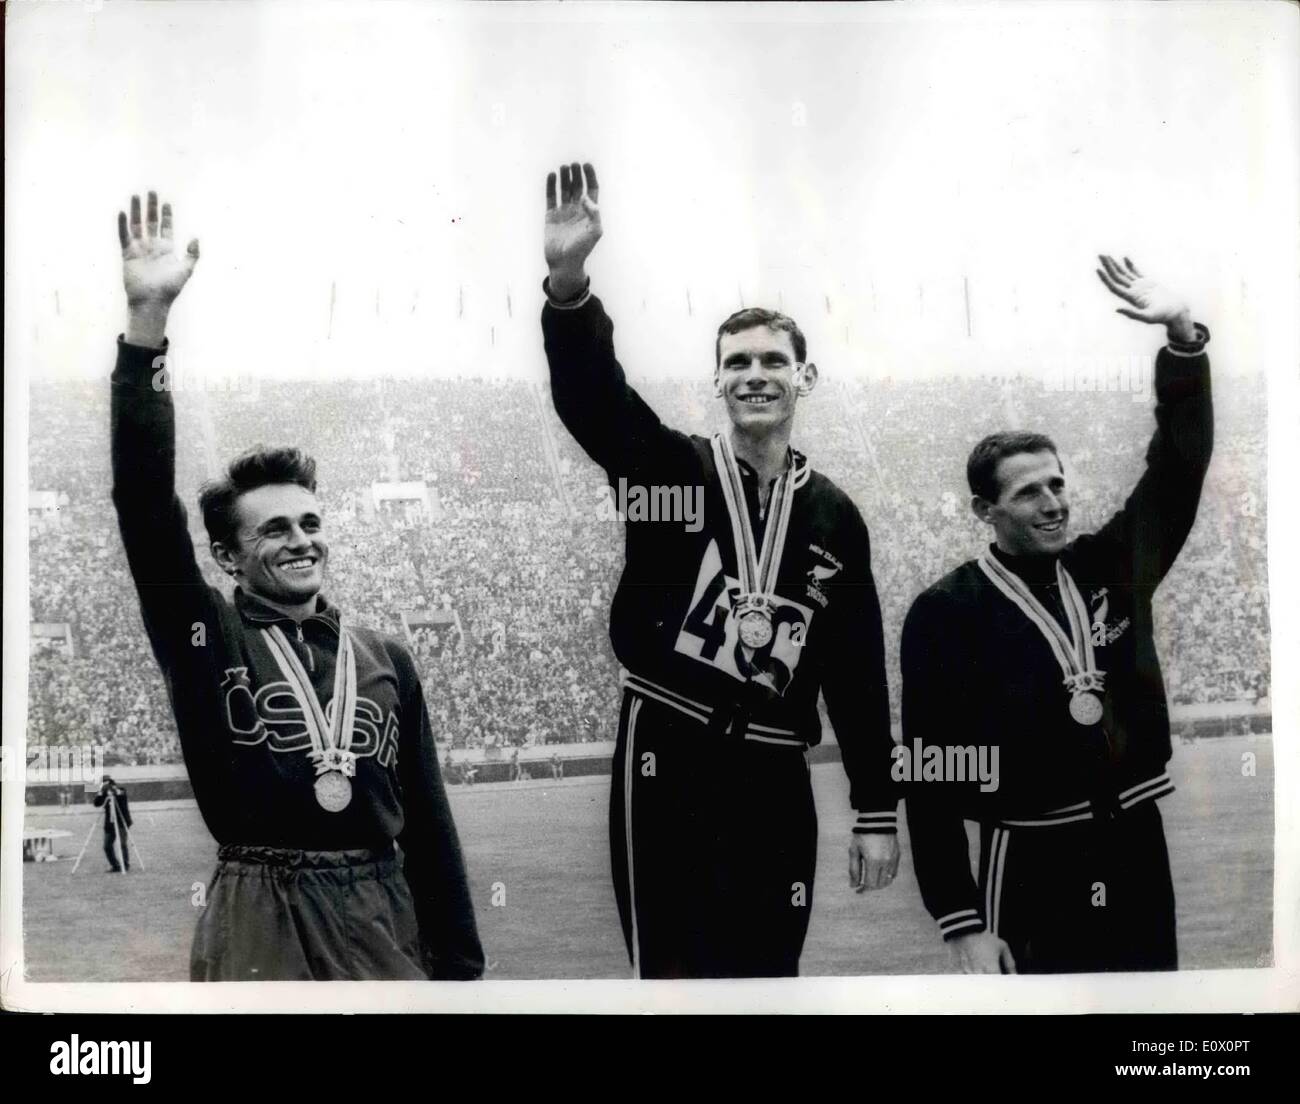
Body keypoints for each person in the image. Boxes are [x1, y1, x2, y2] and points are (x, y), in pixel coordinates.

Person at [109, 191, 483, 981]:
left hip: (381, 901)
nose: (301, 539)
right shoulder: (207, 638)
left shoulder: (385, 658)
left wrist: (459, 967)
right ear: (228, 556)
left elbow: (431, 826)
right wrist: (146, 332)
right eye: (273, 529)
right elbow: (145, 508)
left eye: (310, 523)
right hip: (260, 904)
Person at [540, 162, 899, 978]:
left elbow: (856, 671)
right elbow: (595, 400)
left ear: (804, 377)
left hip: (776, 765)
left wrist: (877, 808)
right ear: (717, 382)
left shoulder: (836, 516)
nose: (755, 374)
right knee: (672, 981)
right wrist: (569, 284)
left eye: (773, 360)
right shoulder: (670, 472)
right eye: (737, 362)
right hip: (668, 748)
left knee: (771, 976)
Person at [902, 256, 1213, 974]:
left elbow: (1179, 469)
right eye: (1028, 494)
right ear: (986, 511)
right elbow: (929, 772)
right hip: (1033, 856)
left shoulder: (1109, 566)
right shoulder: (946, 611)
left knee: (1145, 1034)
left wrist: (1182, 338)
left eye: (1058, 484)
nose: (1054, 503)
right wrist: (962, 919)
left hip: (1137, 840)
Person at [93, 777, 133, 873]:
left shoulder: (120, 789)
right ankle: (115, 865)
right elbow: (96, 803)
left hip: (121, 821)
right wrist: (101, 793)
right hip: (110, 823)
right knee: (107, 846)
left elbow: (121, 795)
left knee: (122, 844)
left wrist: (113, 790)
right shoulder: (104, 792)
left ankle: (125, 865)